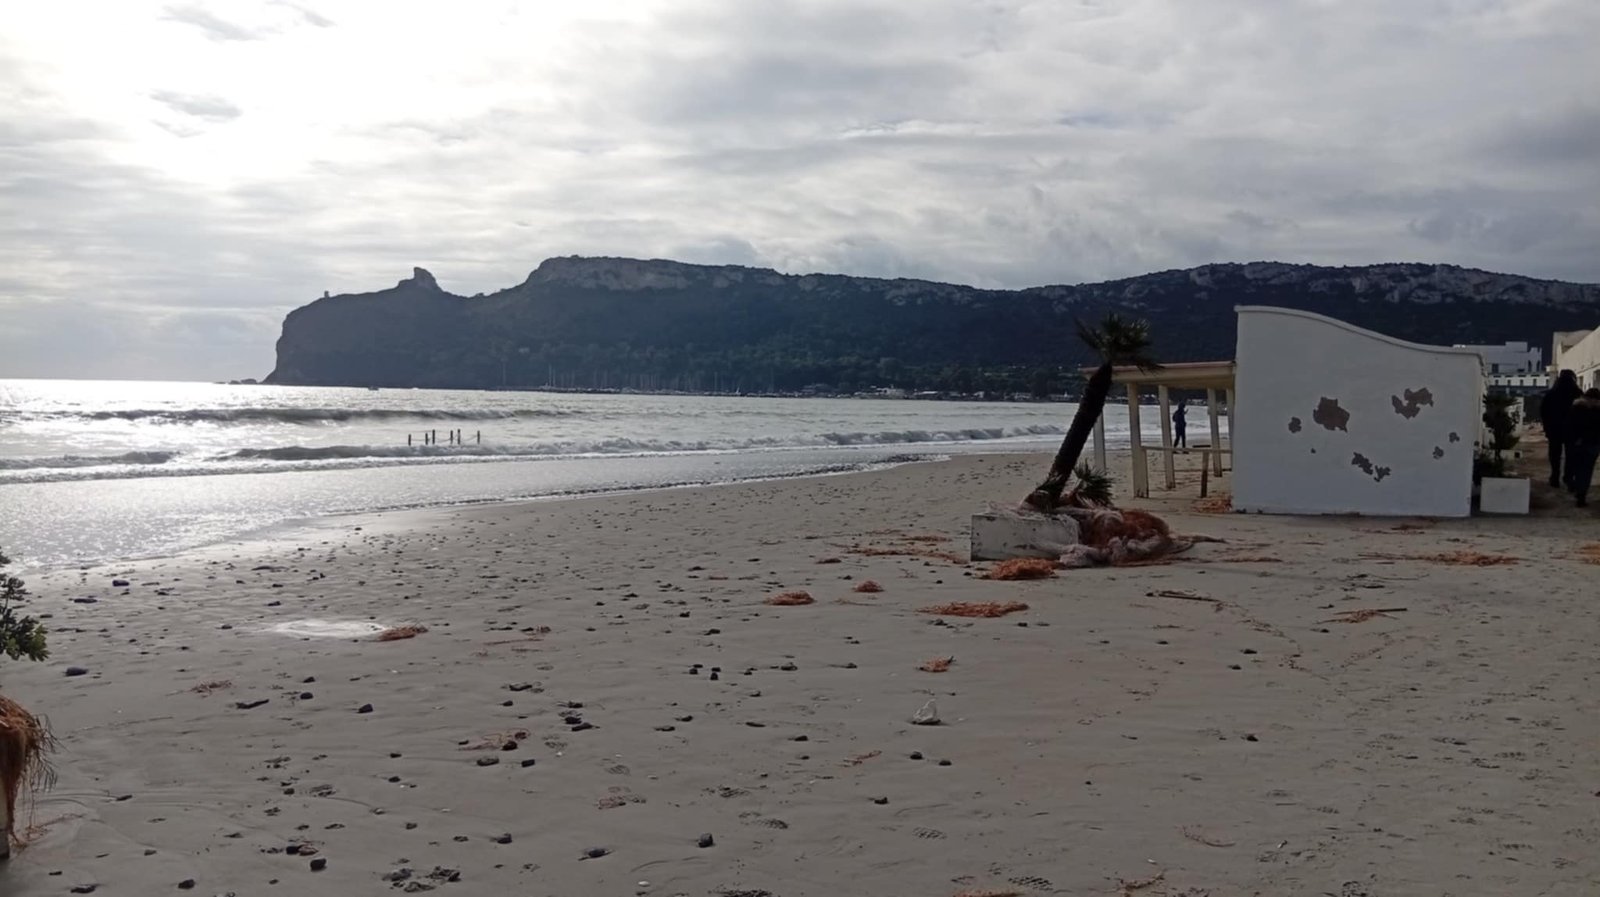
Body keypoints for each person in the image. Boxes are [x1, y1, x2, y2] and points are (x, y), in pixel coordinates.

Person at [1540, 370, 1582, 489]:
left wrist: (1546, 428)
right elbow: (1583, 413)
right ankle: (1568, 478)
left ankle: (1555, 477)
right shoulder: (1578, 393)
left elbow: (1543, 412)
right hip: (1572, 430)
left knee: (1554, 455)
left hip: (1554, 429)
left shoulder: (1551, 394)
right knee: (1571, 455)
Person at [1568, 388, 1600, 508]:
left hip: (1578, 443)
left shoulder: (1577, 408)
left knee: (1578, 468)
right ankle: (1581, 494)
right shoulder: (1597, 410)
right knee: (1586, 470)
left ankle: (1578, 489)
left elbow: (1570, 425)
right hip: (1592, 444)